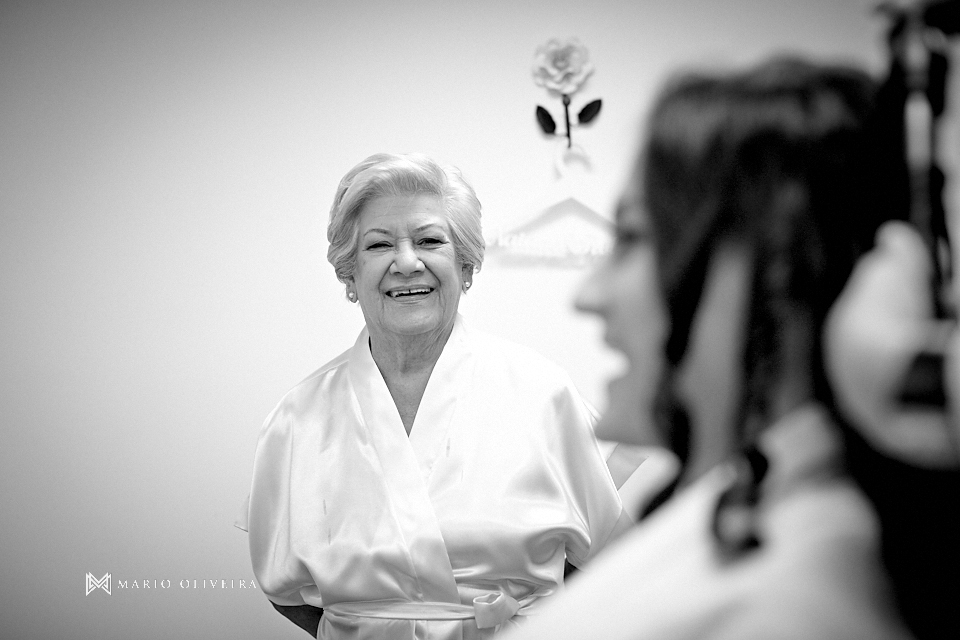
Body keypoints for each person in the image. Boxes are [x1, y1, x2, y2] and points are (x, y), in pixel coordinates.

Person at [500, 57, 915, 639]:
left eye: (634, 238)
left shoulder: (792, 608)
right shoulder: (736, 508)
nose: (588, 294)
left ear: (778, 268)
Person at [240, 152, 630, 639]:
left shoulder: (544, 395)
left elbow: (614, 557)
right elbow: (286, 595)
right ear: (349, 275)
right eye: (379, 245)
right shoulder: (297, 418)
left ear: (465, 266)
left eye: (429, 240)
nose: (407, 263)